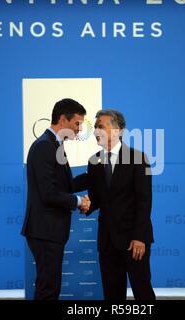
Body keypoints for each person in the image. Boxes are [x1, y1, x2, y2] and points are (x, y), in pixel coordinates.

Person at [21, 98, 91, 300]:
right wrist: (79, 202)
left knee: (49, 286)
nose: (79, 129)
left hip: (48, 231)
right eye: (77, 123)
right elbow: (48, 193)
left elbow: (66, 186)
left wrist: (95, 175)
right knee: (48, 289)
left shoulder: (55, 145)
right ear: (63, 119)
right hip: (44, 231)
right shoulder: (45, 146)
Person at [83, 109, 156, 300]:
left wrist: (139, 237)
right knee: (112, 295)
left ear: (118, 130)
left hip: (134, 241)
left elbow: (144, 201)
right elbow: (97, 199)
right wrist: (82, 204)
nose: (96, 130)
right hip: (107, 241)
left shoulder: (140, 159)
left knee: (143, 292)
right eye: (96, 127)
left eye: (101, 126)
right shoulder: (94, 161)